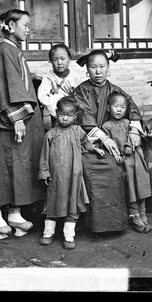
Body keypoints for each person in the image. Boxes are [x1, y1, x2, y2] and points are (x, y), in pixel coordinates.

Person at [0, 9, 46, 240]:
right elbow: (1, 86)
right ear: (11, 25)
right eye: (25, 25)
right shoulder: (3, 51)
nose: (29, 29)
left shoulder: (13, 51)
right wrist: (16, 117)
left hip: (20, 122)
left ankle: (15, 213)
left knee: (18, 165)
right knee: (2, 166)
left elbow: (16, 81)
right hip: (10, 121)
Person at [73, 49, 147, 235]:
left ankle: (128, 216)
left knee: (127, 164)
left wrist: (135, 130)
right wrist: (103, 138)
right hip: (89, 142)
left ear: (108, 69)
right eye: (93, 67)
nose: (98, 71)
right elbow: (85, 117)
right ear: (87, 70)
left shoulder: (115, 90)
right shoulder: (81, 91)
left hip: (115, 143)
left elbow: (132, 108)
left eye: (102, 67)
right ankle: (94, 223)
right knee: (99, 169)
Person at [38, 96, 105, 249]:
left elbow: (86, 143)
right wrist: (45, 173)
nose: (65, 118)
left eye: (69, 115)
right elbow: (44, 156)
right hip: (56, 178)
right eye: (62, 114)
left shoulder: (78, 131)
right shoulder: (51, 134)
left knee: (73, 205)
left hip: (74, 177)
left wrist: (94, 148)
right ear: (56, 113)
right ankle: (48, 233)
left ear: (75, 116)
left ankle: (69, 236)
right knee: (52, 204)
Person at [102, 91, 152, 233]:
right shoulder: (107, 126)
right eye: (116, 106)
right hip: (124, 162)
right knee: (130, 189)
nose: (119, 110)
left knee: (140, 186)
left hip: (135, 159)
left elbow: (136, 138)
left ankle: (143, 214)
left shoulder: (128, 123)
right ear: (108, 108)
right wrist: (116, 154)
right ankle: (135, 217)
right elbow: (108, 144)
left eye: (123, 107)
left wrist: (130, 145)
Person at [37, 43, 84, 128]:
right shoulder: (48, 78)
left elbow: (82, 96)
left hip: (74, 114)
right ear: (50, 61)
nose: (59, 63)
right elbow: (43, 97)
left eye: (63, 59)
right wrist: (57, 99)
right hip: (57, 116)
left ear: (69, 59)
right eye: (55, 59)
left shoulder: (75, 77)